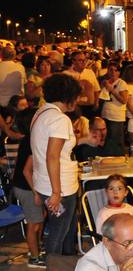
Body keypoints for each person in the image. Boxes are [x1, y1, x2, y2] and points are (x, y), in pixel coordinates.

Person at [31, 72, 82, 255]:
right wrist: (56, 192)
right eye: (76, 96)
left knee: (64, 230)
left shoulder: (41, 112)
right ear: (68, 96)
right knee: (58, 233)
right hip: (60, 187)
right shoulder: (60, 119)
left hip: (45, 182)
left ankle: (65, 268)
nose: (78, 100)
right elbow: (52, 156)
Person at [11, 107, 46, 267]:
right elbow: (27, 171)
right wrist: (36, 193)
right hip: (26, 187)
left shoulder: (29, 138)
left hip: (24, 185)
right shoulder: (32, 141)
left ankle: (37, 249)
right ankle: (34, 257)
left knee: (39, 218)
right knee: (34, 223)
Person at [99, 62, 129, 149]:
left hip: (116, 117)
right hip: (105, 114)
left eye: (115, 70)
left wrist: (112, 90)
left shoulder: (121, 83)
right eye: (111, 70)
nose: (113, 72)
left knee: (116, 141)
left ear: (119, 72)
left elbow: (124, 100)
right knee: (107, 140)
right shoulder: (105, 82)